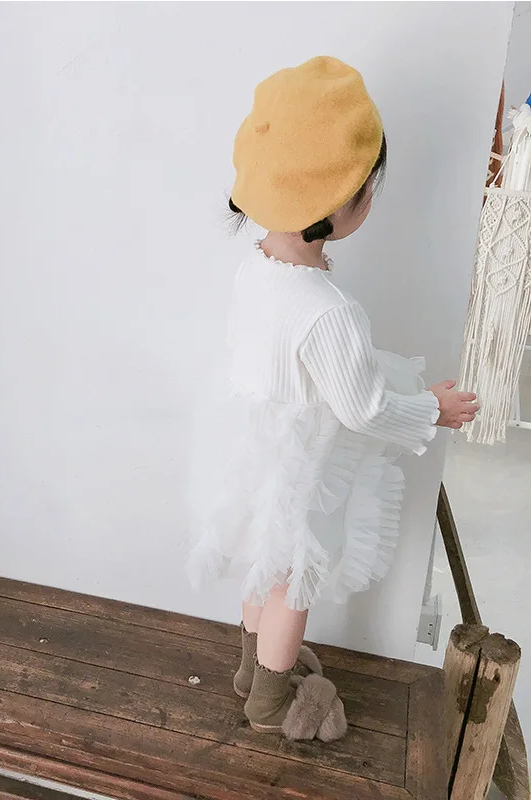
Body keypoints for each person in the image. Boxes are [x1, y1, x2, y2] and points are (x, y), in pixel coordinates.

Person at [186, 56, 478, 743]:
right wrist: (431, 409)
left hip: (255, 456)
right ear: (336, 204)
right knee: (293, 583)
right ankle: (271, 701)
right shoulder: (329, 311)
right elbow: (362, 406)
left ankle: (250, 670)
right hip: (302, 470)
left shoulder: (256, 270)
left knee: (264, 566)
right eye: (367, 185)